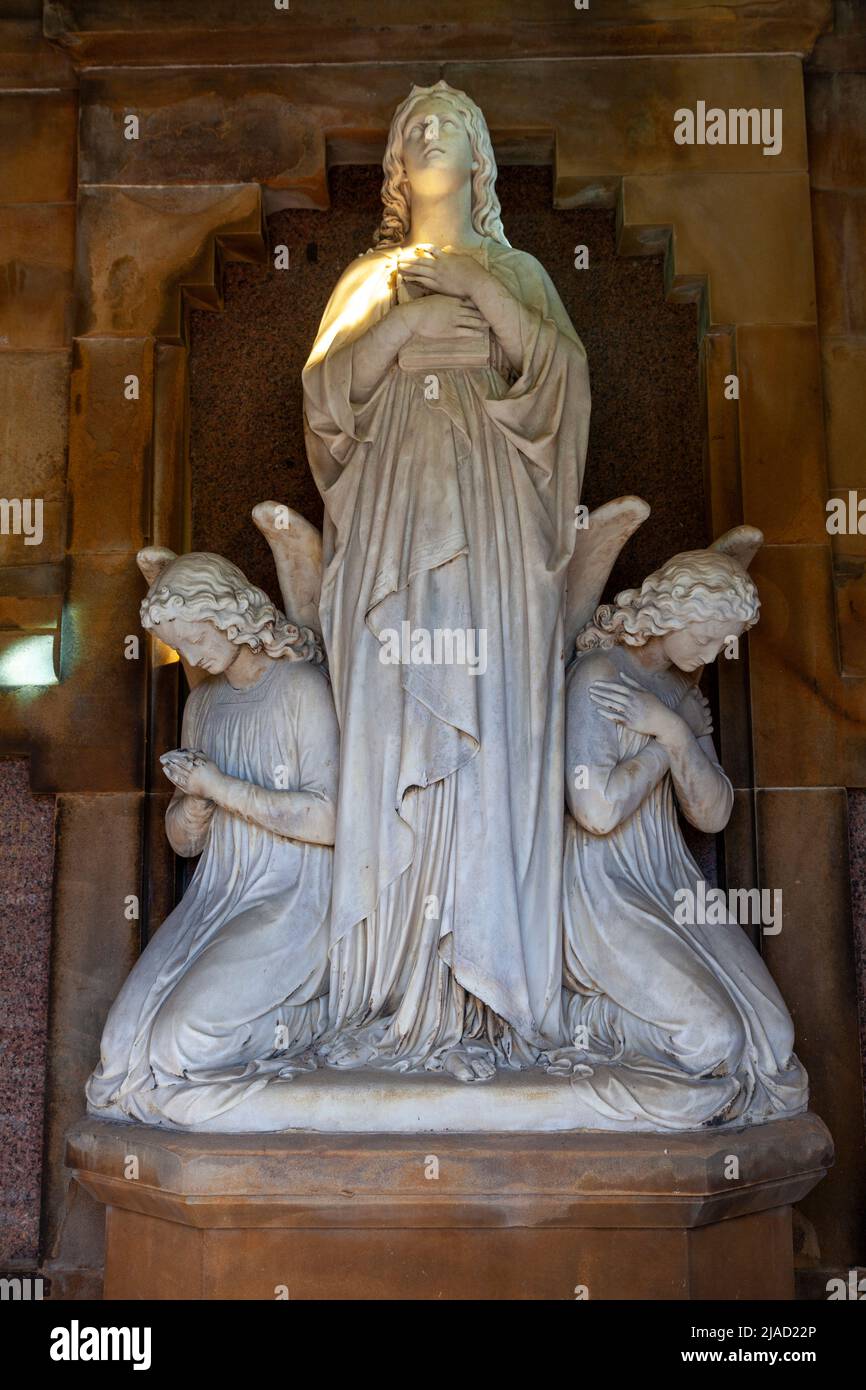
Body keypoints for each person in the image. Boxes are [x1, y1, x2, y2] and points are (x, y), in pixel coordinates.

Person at [303, 81, 591, 1080]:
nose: (429, 137)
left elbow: (558, 380)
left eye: (450, 127)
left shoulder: (515, 269)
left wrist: (473, 290)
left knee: (489, 731)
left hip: (497, 542)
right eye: (413, 129)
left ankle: (490, 990)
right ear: (395, 166)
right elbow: (323, 397)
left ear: (479, 163)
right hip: (390, 538)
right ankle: (392, 992)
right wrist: (404, 331)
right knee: (393, 733)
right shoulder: (369, 278)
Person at [555, 542, 808, 1127]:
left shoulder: (681, 693)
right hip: (604, 885)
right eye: (705, 638)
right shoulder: (600, 676)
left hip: (670, 880)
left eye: (724, 643)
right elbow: (596, 810)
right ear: (666, 616)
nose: (715, 654)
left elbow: (713, 814)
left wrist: (673, 732)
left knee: (774, 1037)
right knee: (713, 1039)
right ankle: (580, 1018)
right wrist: (668, 741)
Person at [86, 551, 339, 1126]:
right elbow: (185, 846)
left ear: (229, 615)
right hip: (215, 900)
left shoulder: (300, 690)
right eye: (180, 647)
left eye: (197, 638)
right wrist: (194, 805)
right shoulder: (202, 704)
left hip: (290, 900)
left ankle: (322, 1020)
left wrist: (219, 786)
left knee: (182, 1045)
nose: (192, 657)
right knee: (117, 1054)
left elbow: (328, 819)